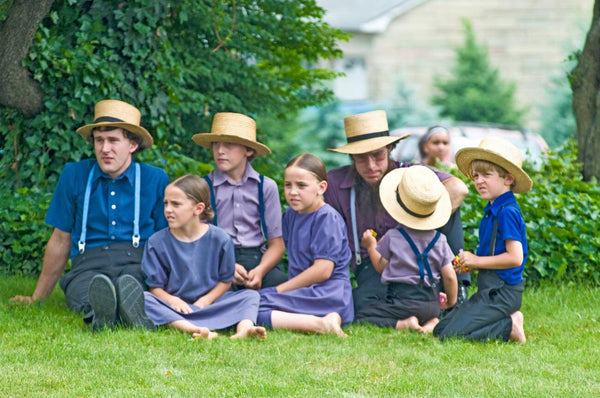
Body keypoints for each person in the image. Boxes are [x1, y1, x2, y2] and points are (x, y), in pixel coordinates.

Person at [10, 99, 168, 331]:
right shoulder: (74, 174)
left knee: (133, 286)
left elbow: (166, 240)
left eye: (113, 140)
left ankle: (126, 308)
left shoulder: (155, 178)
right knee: (87, 291)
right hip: (88, 265)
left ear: (132, 144)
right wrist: (37, 296)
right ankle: (105, 312)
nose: (105, 149)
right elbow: (60, 238)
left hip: (137, 263)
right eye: (99, 140)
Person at [324, 110, 470, 314]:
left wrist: (404, 234)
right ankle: (420, 307)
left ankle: (458, 289)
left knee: (444, 205)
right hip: (372, 266)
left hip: (420, 259)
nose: (371, 166)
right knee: (357, 304)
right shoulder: (335, 182)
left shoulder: (409, 174)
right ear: (351, 157)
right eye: (361, 158)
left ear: (390, 148)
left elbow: (458, 189)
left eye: (378, 155)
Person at [142, 175, 266, 339]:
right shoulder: (156, 242)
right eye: (166, 203)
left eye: (176, 204)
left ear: (198, 208)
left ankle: (244, 329)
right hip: (176, 307)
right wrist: (173, 301)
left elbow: (226, 280)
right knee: (145, 298)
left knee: (250, 296)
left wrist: (205, 301)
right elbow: (155, 287)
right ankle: (192, 329)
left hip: (212, 304)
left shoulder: (221, 239)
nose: (168, 210)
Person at [433, 136, 531, 343]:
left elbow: (515, 258)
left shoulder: (507, 212)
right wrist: (471, 264)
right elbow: (495, 255)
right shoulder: (492, 209)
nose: (479, 181)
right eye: (476, 176)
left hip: (503, 293)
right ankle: (506, 321)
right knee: (440, 329)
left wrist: (477, 261)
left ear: (508, 179)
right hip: (489, 290)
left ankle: (511, 326)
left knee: (450, 337)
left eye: (487, 175)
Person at [257, 153, 354, 336]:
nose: (293, 192)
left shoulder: (327, 218)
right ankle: (324, 320)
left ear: (321, 187)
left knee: (253, 307)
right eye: (288, 185)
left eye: (301, 185)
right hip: (303, 293)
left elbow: (323, 270)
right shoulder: (291, 215)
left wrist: (280, 290)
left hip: (328, 295)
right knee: (249, 302)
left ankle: (320, 324)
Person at [356, 165, 458, 333]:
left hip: (401, 302)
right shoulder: (440, 240)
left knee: (363, 314)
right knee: (431, 314)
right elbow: (450, 277)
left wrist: (371, 246)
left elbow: (381, 267)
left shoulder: (393, 236)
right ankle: (432, 322)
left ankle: (404, 324)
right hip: (430, 303)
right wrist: (451, 302)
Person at [191, 112, 287, 290]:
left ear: (248, 150)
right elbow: (197, 241)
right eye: (216, 144)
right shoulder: (204, 186)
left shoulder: (266, 187)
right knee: (210, 288)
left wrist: (260, 271)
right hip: (216, 258)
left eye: (229, 145)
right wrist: (226, 266)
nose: (220, 151)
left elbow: (277, 243)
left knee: (281, 284)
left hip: (258, 259)